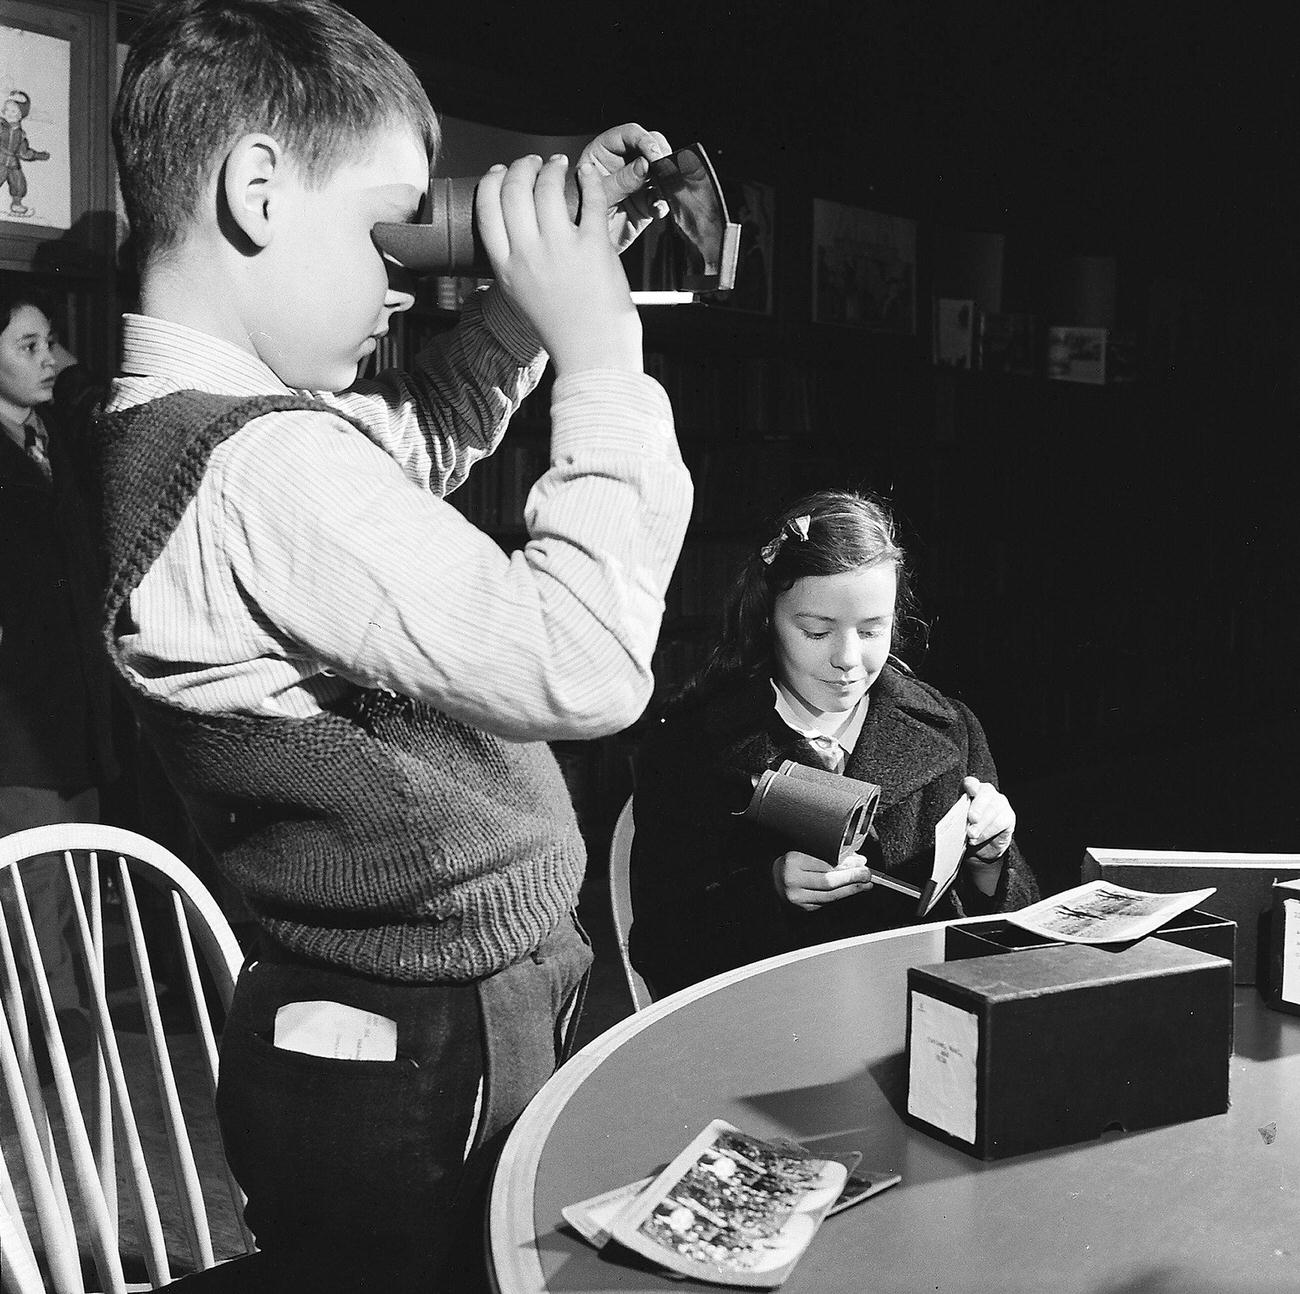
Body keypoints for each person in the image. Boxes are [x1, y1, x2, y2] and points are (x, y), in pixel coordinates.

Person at [96, 1, 691, 1289]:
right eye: (387, 227)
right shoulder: (259, 466)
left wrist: (532, 298)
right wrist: (599, 344)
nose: (409, 275)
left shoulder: (204, 431)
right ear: (256, 188)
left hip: (404, 1024)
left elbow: (408, 438)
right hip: (430, 1052)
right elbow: (581, 661)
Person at [629, 489, 1038, 997]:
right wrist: (768, 891)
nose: (847, 659)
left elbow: (1013, 950)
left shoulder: (950, 729)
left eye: (872, 631)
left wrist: (992, 862)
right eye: (817, 632)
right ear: (767, 619)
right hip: (767, 1035)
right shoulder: (691, 745)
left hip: (919, 1021)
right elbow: (657, 949)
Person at [0, 285, 117, 1066]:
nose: (49, 359)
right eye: (28, 347)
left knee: (76, 868)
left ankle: (73, 1020)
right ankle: (49, 1030)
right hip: (15, 709)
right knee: (36, 871)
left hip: (78, 700)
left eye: (50, 343)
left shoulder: (56, 440)